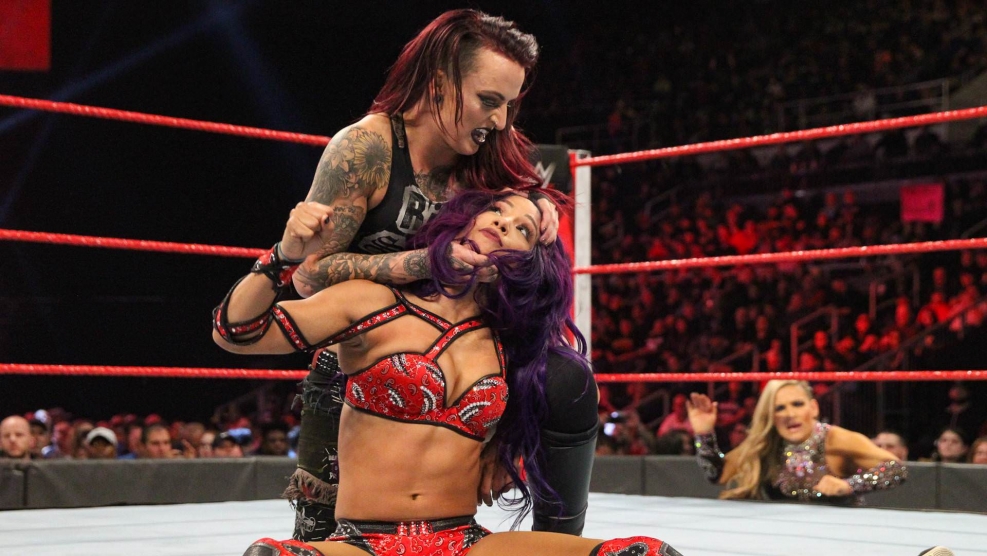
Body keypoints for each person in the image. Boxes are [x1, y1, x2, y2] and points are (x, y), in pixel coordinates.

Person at [222, 9, 595, 541]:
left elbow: (524, 252)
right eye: (489, 100)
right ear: (439, 84)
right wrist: (423, 263)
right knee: (320, 531)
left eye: (510, 106)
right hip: (367, 351)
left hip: (471, 353)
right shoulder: (365, 150)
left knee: (566, 376)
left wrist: (536, 204)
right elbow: (309, 276)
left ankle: (558, 542)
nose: (500, 121)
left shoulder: (490, 150)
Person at [216, 191, 678, 556]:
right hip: (364, 542)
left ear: (530, 259)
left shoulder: (510, 349)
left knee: (647, 552)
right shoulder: (373, 303)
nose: (504, 222)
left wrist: (505, 445)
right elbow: (235, 332)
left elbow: (553, 407)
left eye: (522, 228)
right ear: (466, 221)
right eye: (497, 210)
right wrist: (283, 256)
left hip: (464, 542)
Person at [687, 380, 907, 504]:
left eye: (797, 404)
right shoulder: (766, 443)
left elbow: (896, 469)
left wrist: (850, 485)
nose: (790, 414)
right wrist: (704, 434)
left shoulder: (836, 439)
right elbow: (717, 474)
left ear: (813, 408)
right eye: (779, 408)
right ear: (771, 416)